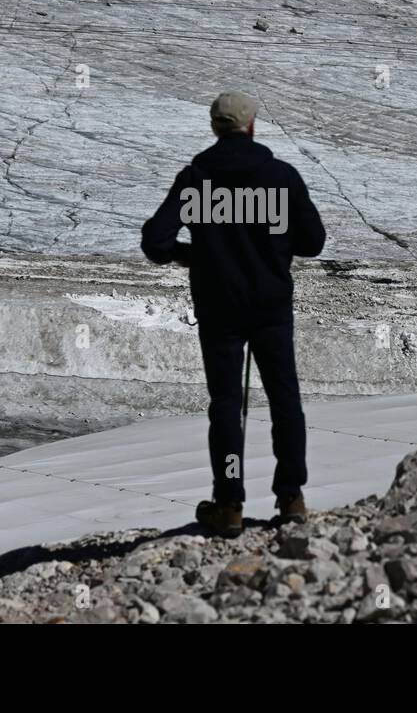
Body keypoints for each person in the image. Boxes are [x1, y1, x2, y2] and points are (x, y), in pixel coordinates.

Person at [141, 90, 326, 536]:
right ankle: (291, 497)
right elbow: (313, 242)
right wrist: (273, 247)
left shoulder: (197, 179)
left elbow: (155, 241)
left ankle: (229, 503)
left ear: (214, 127)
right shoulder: (281, 177)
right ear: (252, 126)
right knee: (285, 401)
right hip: (271, 306)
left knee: (226, 405)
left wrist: (194, 257)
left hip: (218, 306)